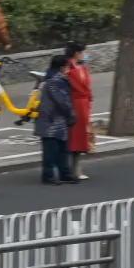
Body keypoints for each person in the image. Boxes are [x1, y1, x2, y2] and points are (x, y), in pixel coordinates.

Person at [34, 55, 77, 186]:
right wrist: (70, 114)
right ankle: (48, 175)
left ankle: (64, 174)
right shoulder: (55, 80)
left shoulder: (52, 78)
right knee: (51, 150)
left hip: (56, 120)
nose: (68, 69)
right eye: (67, 66)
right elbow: (62, 101)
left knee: (62, 149)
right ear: (62, 67)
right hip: (51, 120)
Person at [63, 41, 93, 181]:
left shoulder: (82, 67)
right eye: (83, 52)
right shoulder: (67, 68)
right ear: (77, 53)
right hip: (74, 104)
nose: (85, 55)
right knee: (73, 137)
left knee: (80, 137)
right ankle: (72, 169)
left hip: (83, 105)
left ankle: (75, 168)